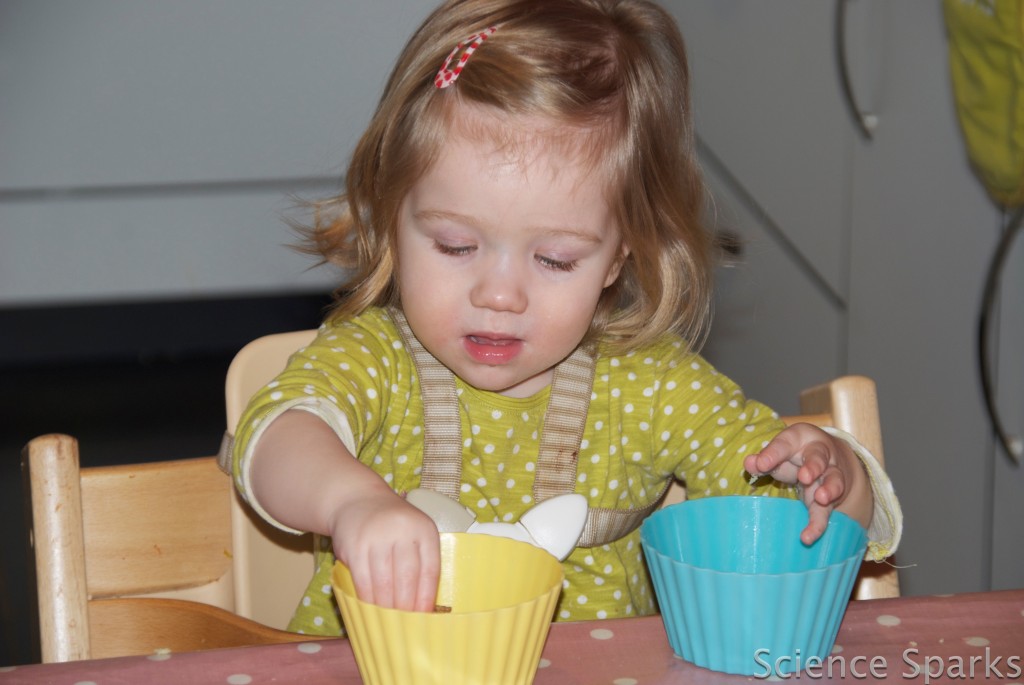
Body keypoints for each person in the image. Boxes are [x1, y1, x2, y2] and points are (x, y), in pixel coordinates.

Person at [230, 0, 901, 635]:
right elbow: (276, 436)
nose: (499, 294)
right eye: (456, 246)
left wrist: (833, 478)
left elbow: (784, 513)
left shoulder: (649, 386)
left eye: (554, 259)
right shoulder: (373, 357)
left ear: (618, 256)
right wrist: (352, 502)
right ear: (394, 216)